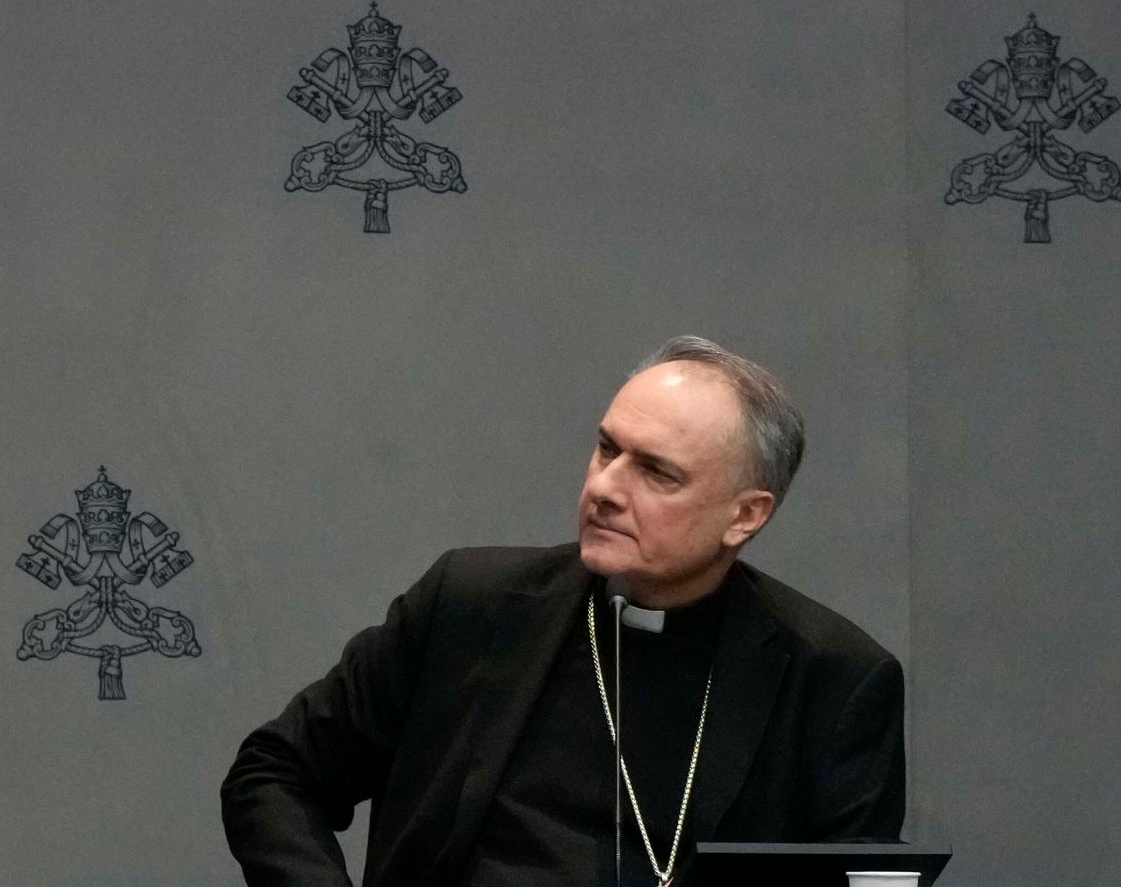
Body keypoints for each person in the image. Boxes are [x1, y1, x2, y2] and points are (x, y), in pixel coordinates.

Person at [223, 336, 905, 886]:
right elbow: (274, 770)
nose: (605, 487)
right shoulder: (472, 604)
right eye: (607, 449)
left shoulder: (833, 680)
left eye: (656, 472)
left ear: (745, 515)